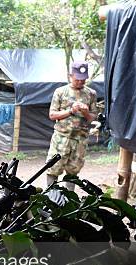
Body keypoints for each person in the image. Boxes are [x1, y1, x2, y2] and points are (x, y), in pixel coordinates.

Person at [46, 61, 98, 190]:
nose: (80, 82)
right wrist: (71, 111)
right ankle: (51, 198)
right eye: (78, 79)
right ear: (70, 76)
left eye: (83, 80)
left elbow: (92, 118)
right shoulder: (60, 92)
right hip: (61, 138)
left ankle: (70, 200)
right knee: (53, 168)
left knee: (73, 171)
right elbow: (52, 115)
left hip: (80, 139)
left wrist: (86, 112)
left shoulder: (91, 94)